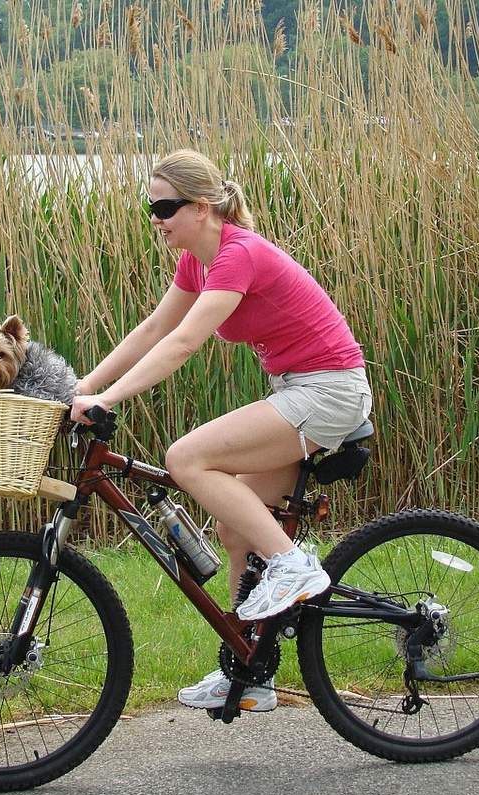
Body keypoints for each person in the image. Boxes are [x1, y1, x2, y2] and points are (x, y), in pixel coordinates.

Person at [70, 149, 373, 712]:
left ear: (202, 206)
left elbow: (184, 344)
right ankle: (248, 671)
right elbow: (157, 327)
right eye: (150, 207)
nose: (156, 219)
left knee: (186, 459)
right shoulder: (198, 261)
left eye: (164, 207)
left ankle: (293, 566)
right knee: (236, 527)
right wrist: (84, 386)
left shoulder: (239, 254)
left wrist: (109, 399)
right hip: (297, 390)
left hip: (329, 391)